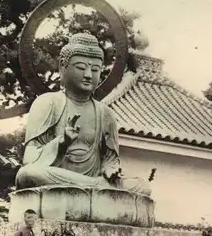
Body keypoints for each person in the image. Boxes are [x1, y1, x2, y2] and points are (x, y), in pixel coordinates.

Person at [15, 32, 151, 196]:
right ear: (63, 67)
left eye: (95, 69)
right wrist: (62, 142)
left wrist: (111, 170)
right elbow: (30, 159)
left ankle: (91, 187)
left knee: (142, 187)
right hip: (58, 177)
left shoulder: (105, 114)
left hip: (85, 182)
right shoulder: (48, 103)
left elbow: (110, 161)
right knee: (27, 174)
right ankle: (93, 187)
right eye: (81, 68)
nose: (88, 75)